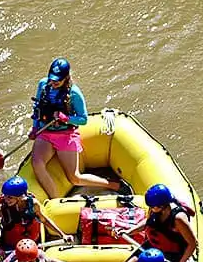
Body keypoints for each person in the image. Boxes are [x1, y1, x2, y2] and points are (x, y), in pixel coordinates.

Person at [29, 57, 129, 198]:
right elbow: (37, 109)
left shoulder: (74, 93)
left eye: (58, 79)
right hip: (45, 132)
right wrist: (34, 128)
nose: (54, 82)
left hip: (65, 135)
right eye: (52, 79)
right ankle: (55, 201)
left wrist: (66, 118)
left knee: (75, 178)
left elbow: (83, 119)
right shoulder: (43, 85)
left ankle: (114, 185)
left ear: (66, 77)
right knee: (37, 164)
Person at [89, 183, 197, 262]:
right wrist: (129, 231)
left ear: (162, 206)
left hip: (171, 254)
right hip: (152, 246)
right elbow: (147, 223)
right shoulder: (154, 209)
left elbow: (192, 243)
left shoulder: (178, 218)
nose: (150, 208)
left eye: (153, 206)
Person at [0, 176, 74, 255]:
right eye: (5, 196)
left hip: (32, 244)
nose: (6, 200)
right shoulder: (1, 209)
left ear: (20, 197)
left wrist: (62, 235)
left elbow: (44, 220)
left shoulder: (34, 205)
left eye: (10, 197)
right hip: (10, 247)